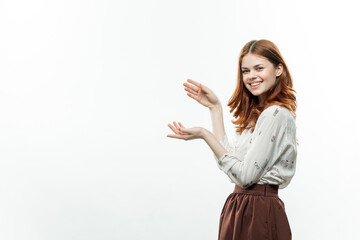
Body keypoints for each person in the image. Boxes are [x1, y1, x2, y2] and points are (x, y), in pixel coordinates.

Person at [167, 39, 298, 240]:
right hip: (241, 206)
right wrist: (215, 108)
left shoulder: (276, 114)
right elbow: (233, 167)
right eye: (245, 71)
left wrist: (204, 134)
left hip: (258, 209)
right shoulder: (258, 116)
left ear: (278, 69)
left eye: (259, 68)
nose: (251, 76)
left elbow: (245, 177)